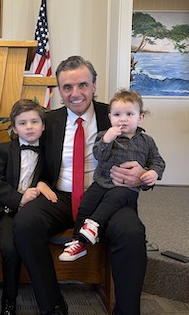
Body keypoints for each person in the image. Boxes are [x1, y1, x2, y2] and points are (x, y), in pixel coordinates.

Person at [14, 55, 151, 315]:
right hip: (60, 196)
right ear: (59, 90)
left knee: (131, 232)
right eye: (67, 87)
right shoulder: (48, 121)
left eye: (83, 85)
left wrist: (142, 174)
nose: (75, 93)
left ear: (94, 85)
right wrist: (40, 182)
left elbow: (144, 151)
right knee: (25, 224)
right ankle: (52, 305)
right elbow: (31, 158)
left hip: (107, 195)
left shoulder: (115, 115)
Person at [0, 99, 57, 315]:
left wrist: (41, 186)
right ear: (14, 128)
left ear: (43, 126)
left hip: (12, 214)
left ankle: (10, 299)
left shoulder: (49, 154)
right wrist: (20, 199)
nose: (29, 127)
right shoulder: (3, 150)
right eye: (23, 123)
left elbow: (48, 180)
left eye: (35, 121)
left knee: (11, 249)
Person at [59, 89, 166, 262]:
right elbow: (98, 156)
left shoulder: (147, 141)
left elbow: (158, 161)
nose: (123, 119)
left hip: (126, 188)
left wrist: (153, 173)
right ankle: (78, 242)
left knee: (114, 199)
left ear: (141, 117)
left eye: (129, 114)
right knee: (85, 205)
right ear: (110, 117)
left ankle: (93, 225)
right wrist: (107, 140)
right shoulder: (104, 136)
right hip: (101, 183)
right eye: (117, 114)